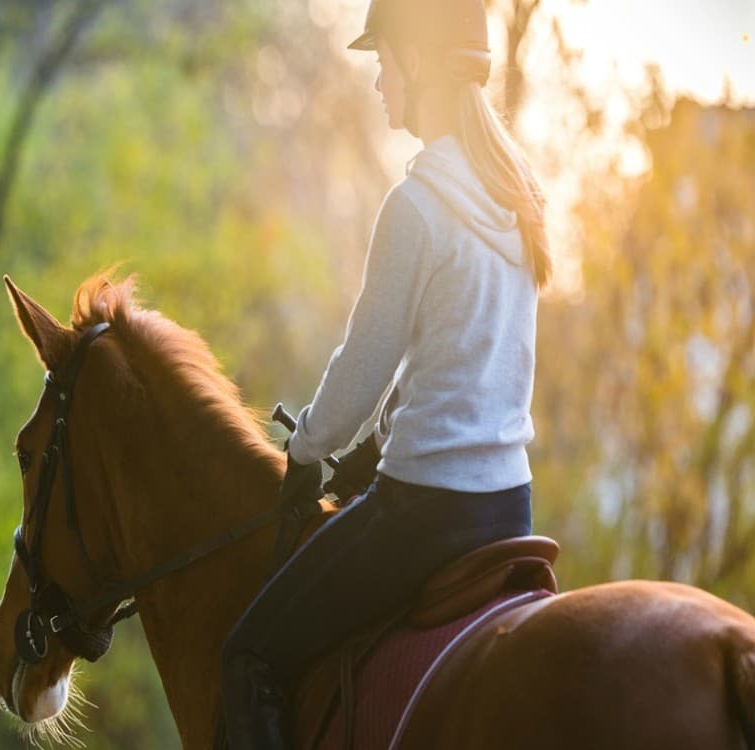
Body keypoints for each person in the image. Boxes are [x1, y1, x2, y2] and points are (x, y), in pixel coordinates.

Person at [220, 0, 552, 746]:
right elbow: (448, 365)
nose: (376, 81)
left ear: (421, 64)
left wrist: (305, 450)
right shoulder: (516, 198)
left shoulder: (418, 205)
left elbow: (362, 371)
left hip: (425, 518)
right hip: (510, 509)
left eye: (382, 60)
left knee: (249, 653)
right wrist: (369, 453)